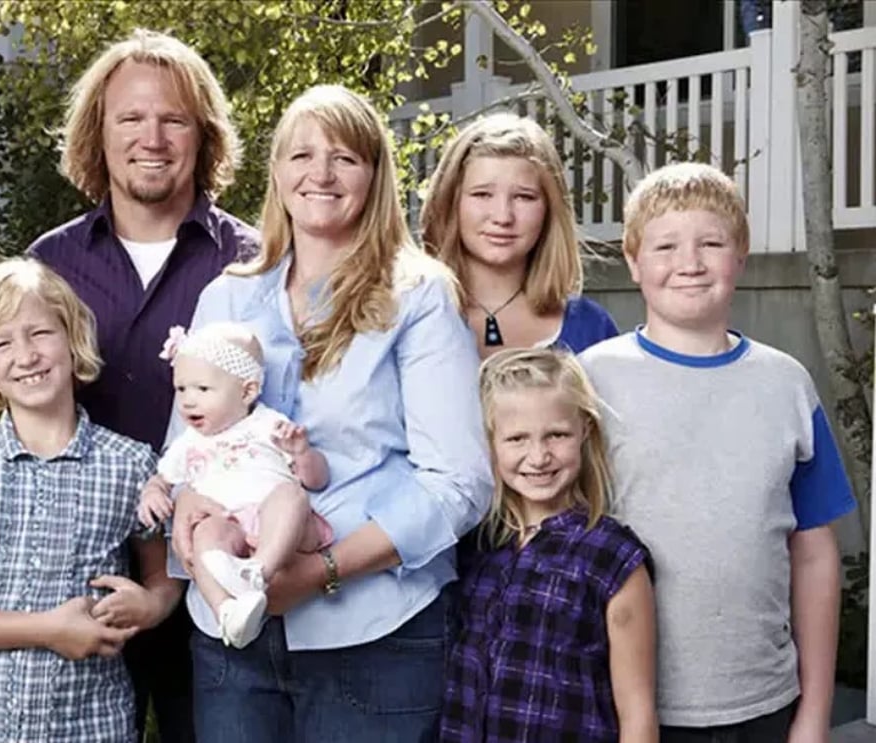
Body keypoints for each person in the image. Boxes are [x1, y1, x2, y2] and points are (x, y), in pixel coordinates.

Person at [169, 84, 491, 742]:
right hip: (232, 636)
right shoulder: (226, 298)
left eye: (344, 156)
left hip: (375, 632)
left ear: (374, 175)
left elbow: (459, 482)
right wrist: (194, 549)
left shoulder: (418, 296)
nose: (321, 173)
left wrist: (318, 573)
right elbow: (187, 457)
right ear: (278, 172)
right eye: (302, 155)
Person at [27, 29, 258, 741]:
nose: (150, 137)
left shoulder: (250, 262)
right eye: (130, 117)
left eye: (173, 119)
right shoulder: (50, 265)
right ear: (99, 133)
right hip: (79, 577)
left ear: (204, 135)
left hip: (215, 575)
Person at [578, 162, 857, 741]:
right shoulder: (590, 381)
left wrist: (814, 714)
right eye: (665, 246)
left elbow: (814, 555)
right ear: (633, 261)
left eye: (712, 242)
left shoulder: (786, 383)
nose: (690, 262)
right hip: (623, 707)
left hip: (763, 701)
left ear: (741, 257)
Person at [0, 258, 183, 742]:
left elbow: (165, 573)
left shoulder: (131, 465)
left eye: (39, 333)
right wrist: (47, 629)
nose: (25, 356)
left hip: (92, 726)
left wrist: (152, 606)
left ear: (72, 339)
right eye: (1, 343)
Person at [440, 347, 658, 743]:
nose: (538, 456)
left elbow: (638, 711)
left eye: (556, 435)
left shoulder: (613, 557)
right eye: (517, 438)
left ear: (584, 433)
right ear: (488, 443)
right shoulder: (474, 545)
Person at [138, 322, 332, 648]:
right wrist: (153, 493)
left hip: (278, 528)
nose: (187, 401)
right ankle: (227, 611)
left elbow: (316, 480)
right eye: (181, 389)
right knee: (204, 534)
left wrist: (302, 453)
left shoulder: (268, 425)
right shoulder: (188, 443)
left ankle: (258, 572)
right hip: (228, 530)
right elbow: (162, 479)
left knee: (290, 495)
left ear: (247, 391)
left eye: (202, 389)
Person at [420, 112, 618, 356]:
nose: (503, 217)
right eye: (482, 194)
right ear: (449, 202)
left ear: (549, 208)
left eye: (524, 197)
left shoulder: (591, 326)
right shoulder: (408, 316)